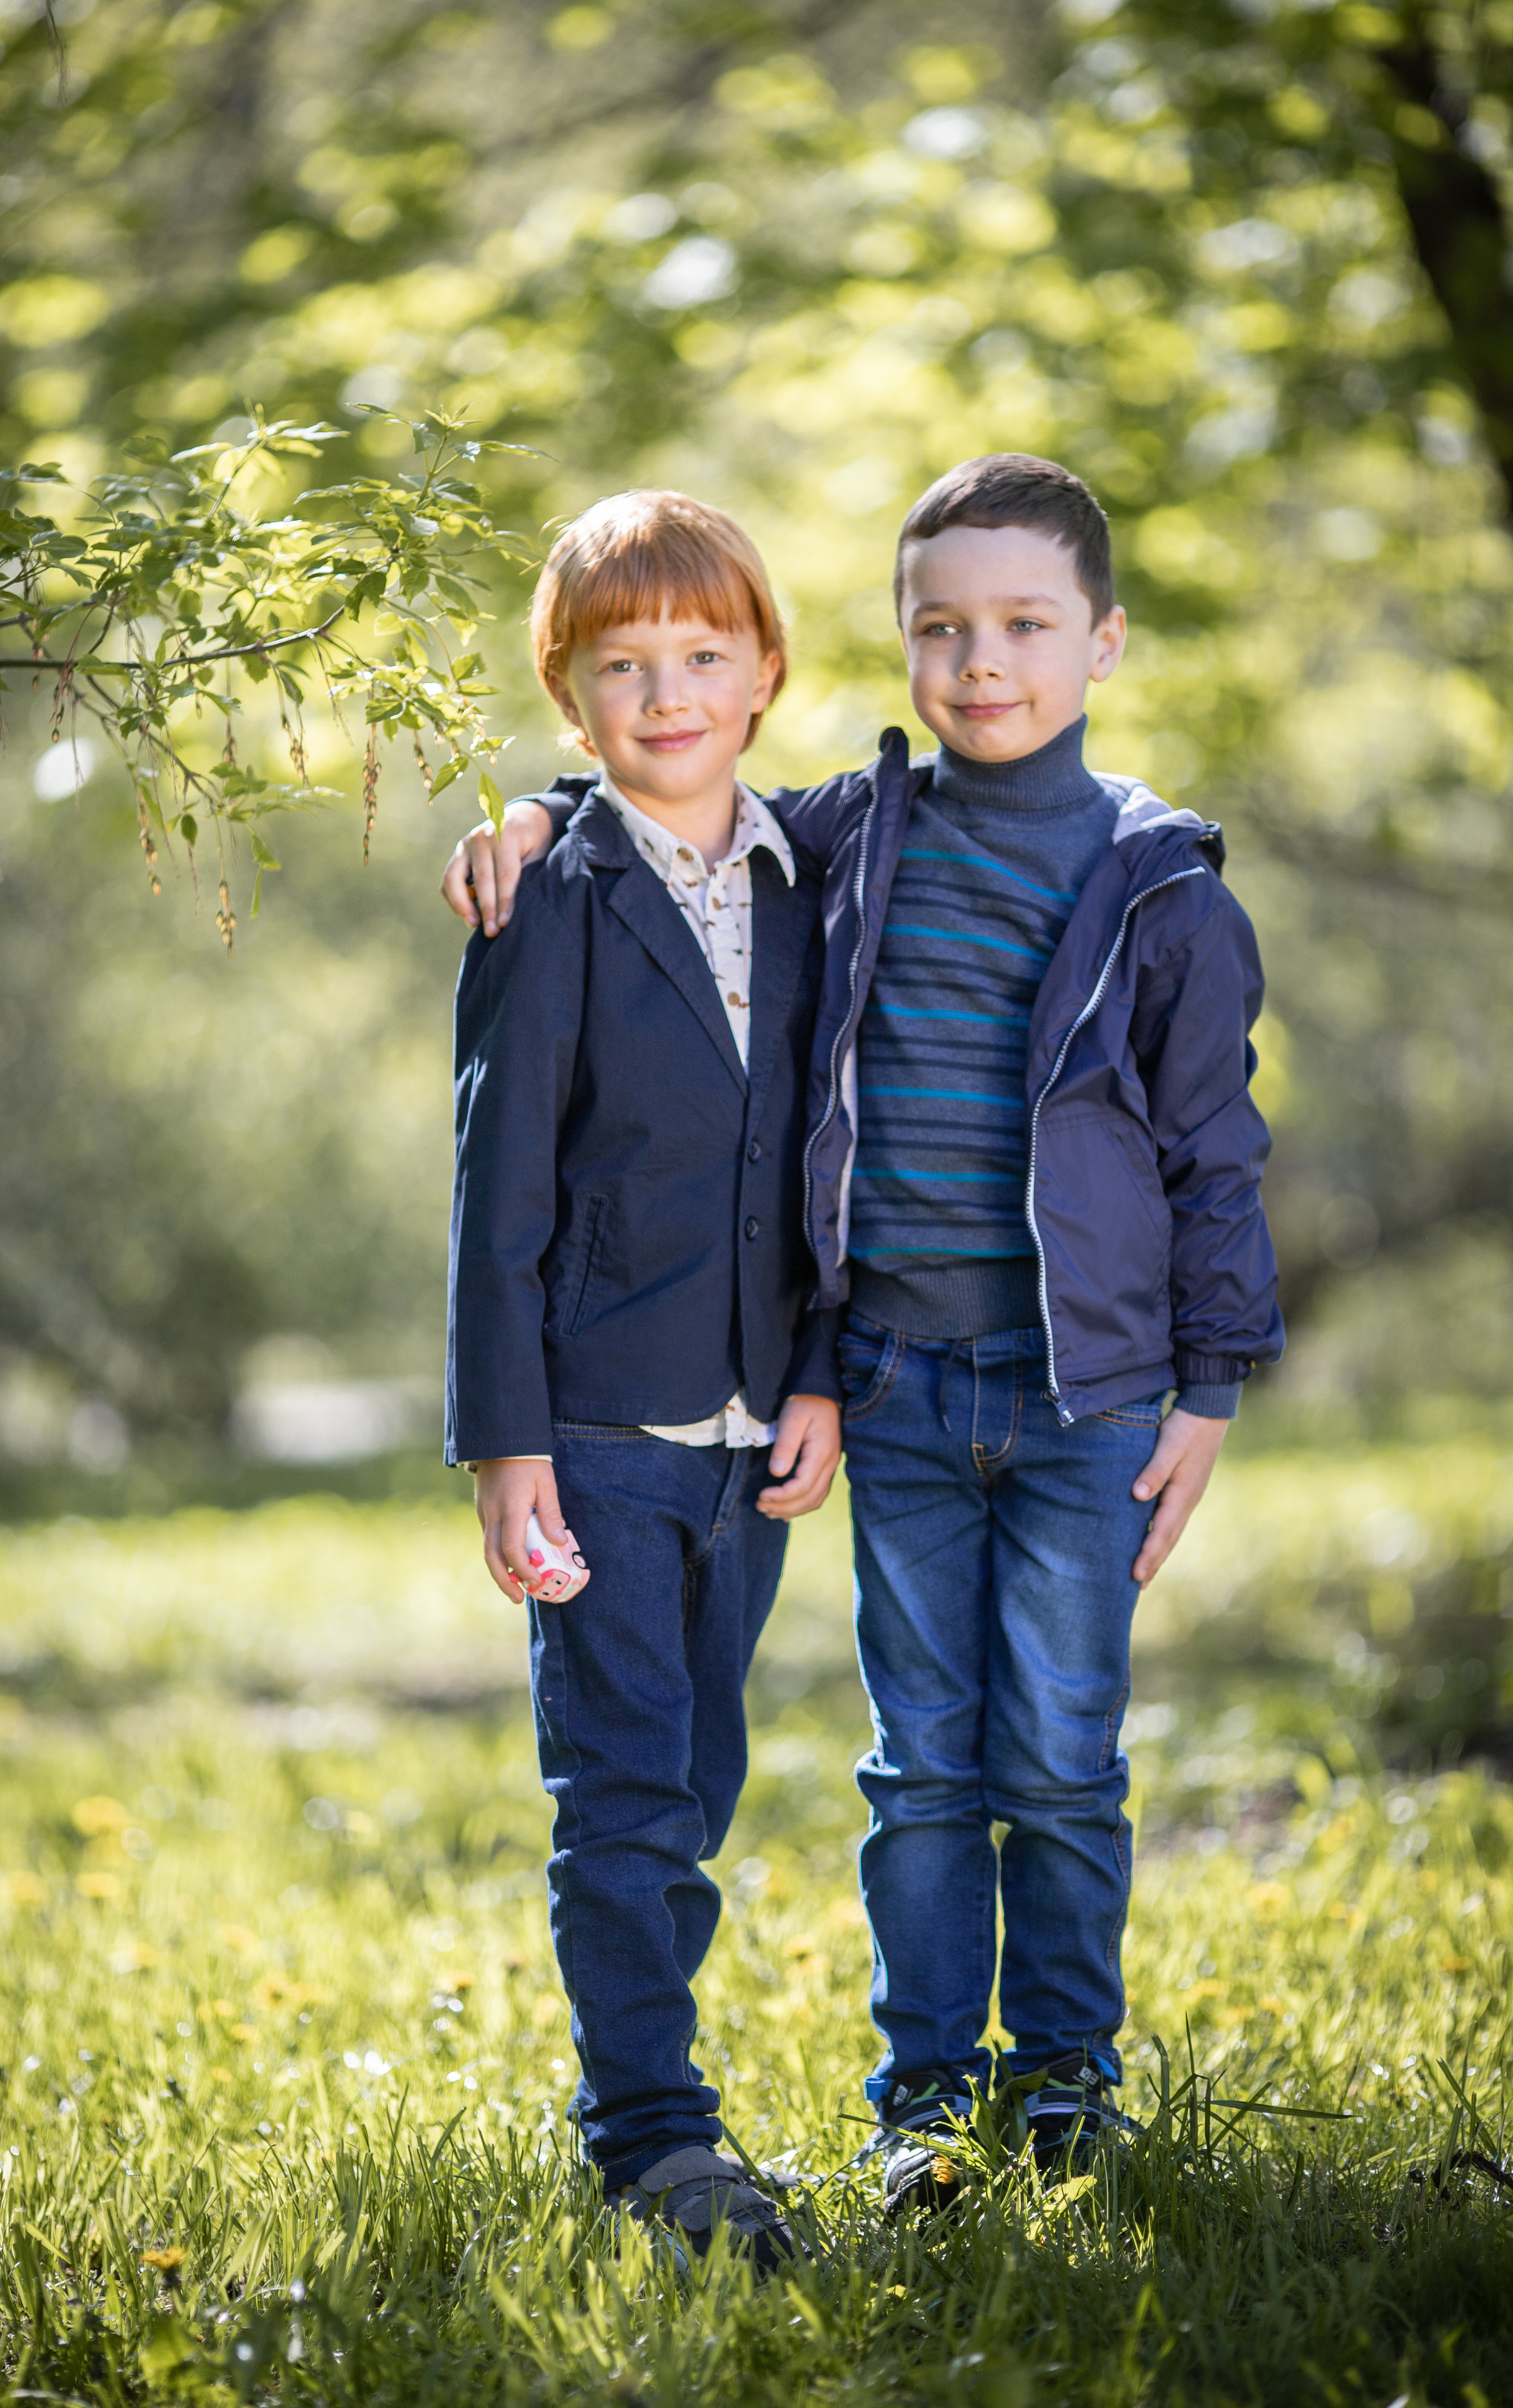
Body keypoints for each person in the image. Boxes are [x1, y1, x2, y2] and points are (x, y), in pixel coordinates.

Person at [444, 453, 1284, 2214]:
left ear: (1103, 642)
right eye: (943, 630)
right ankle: (842, 2119)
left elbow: (1212, 1149)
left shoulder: (1108, 880)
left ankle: (1057, 2099)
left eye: (1026, 626)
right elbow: (639, 822)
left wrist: (1207, 1382)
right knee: (885, 1775)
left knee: (1049, 1756)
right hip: (816, 1392)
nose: (983, 662)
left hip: (1011, 1398)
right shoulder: (843, 833)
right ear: (895, 646)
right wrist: (529, 815)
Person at [445, 488, 843, 2269]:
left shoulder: (826, 874)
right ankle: (653, 2140)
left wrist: (823, 1374)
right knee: (620, 1791)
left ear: (764, 670)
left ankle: (645, 2086)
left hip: (758, 1428)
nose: (666, 692)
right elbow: (497, 1182)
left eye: (701, 654)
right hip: (598, 1425)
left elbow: (838, 1159)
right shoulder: (548, 892)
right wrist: (504, 1444)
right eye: (622, 665)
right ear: (570, 689)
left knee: (700, 1779)